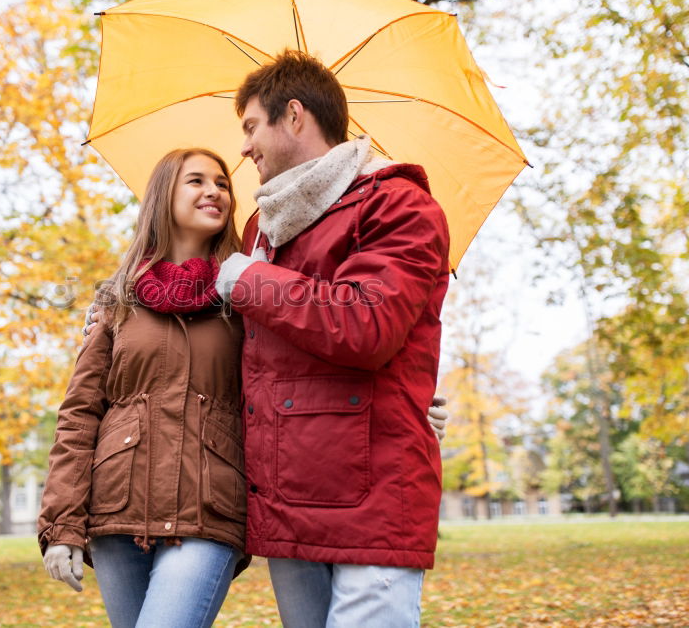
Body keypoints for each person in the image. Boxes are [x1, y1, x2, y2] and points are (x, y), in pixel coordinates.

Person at [210, 50, 451, 627]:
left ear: (294, 116)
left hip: (372, 495)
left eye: (250, 126)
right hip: (287, 493)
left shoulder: (398, 204)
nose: (243, 147)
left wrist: (250, 279)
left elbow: (367, 325)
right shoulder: (261, 229)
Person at [37, 148, 250, 628]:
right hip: (116, 509)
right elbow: (79, 413)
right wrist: (62, 524)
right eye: (196, 181)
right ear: (163, 196)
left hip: (207, 509)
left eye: (222, 183)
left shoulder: (247, 295)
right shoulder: (116, 300)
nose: (214, 191)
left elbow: (290, 382)